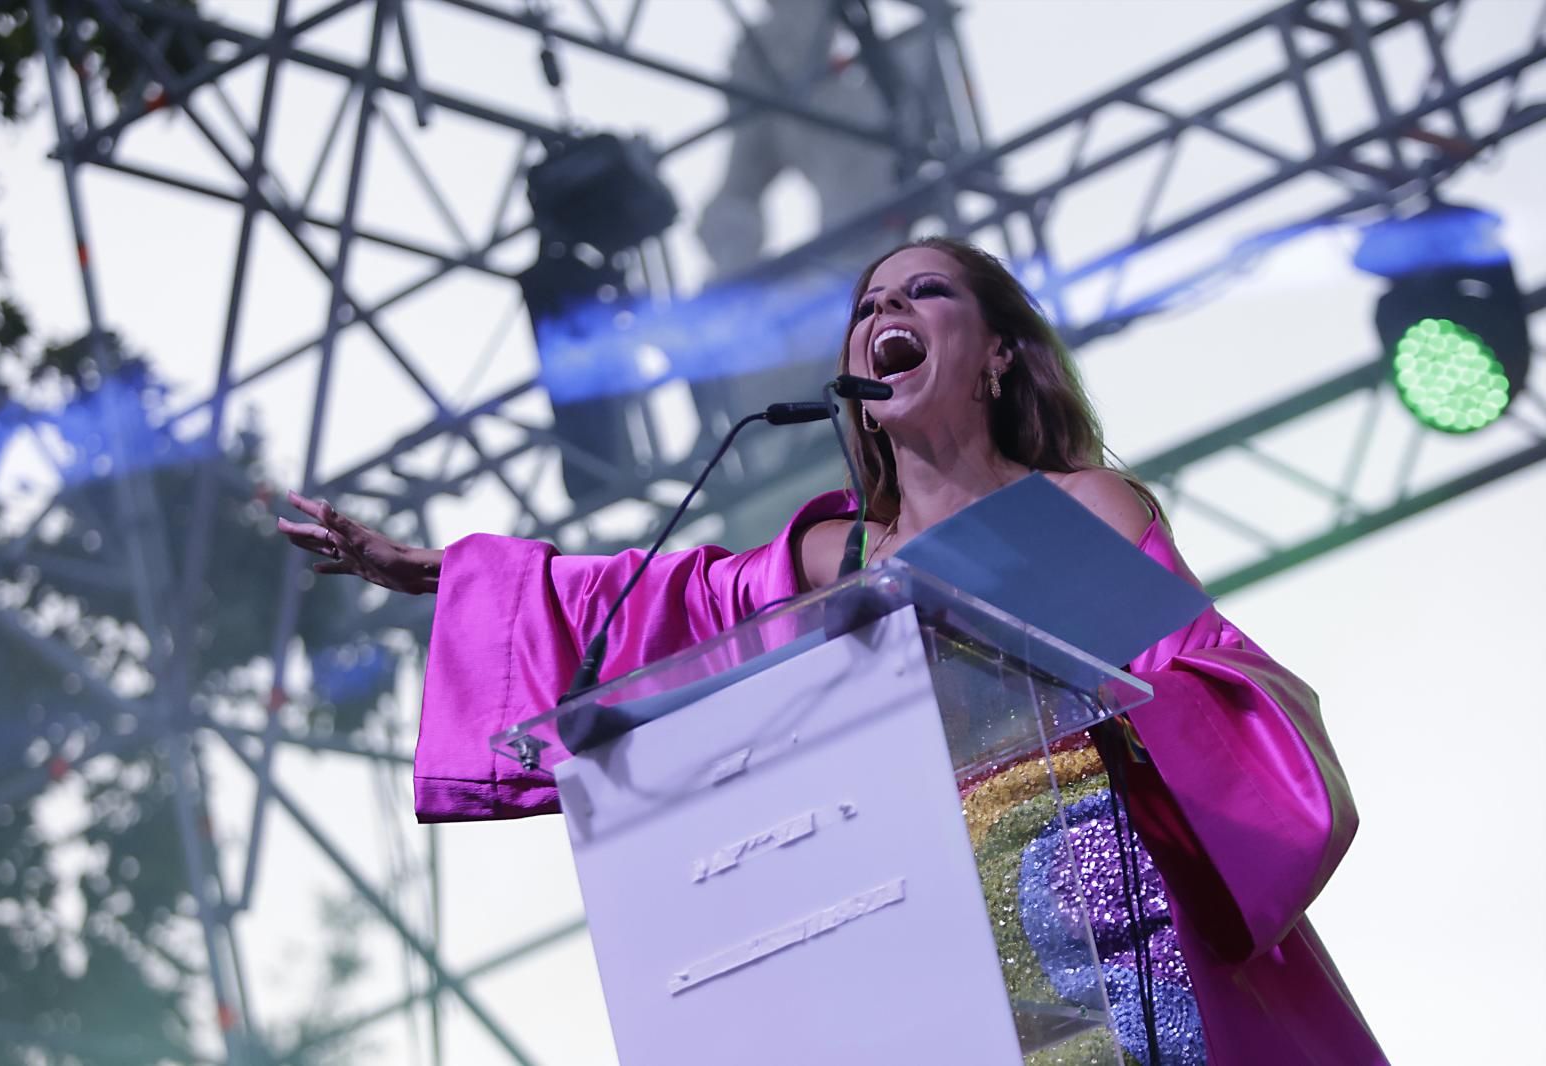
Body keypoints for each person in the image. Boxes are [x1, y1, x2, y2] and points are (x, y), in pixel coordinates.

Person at [280, 237, 1386, 1065]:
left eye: (923, 292)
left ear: (996, 354)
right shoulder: (827, 553)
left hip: (1091, 903)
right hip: (907, 922)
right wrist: (440, 572)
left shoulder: (1082, 502)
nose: (883, 311)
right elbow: (638, 608)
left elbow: (1195, 675)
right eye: (868, 304)